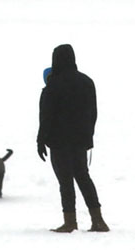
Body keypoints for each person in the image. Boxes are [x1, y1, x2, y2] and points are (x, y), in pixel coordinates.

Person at [37, 43, 109, 233]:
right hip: (80, 140)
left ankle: (70, 222)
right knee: (83, 177)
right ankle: (98, 220)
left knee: (65, 182)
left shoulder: (53, 85)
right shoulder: (87, 82)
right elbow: (93, 112)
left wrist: (40, 140)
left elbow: (46, 116)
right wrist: (88, 135)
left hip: (59, 142)